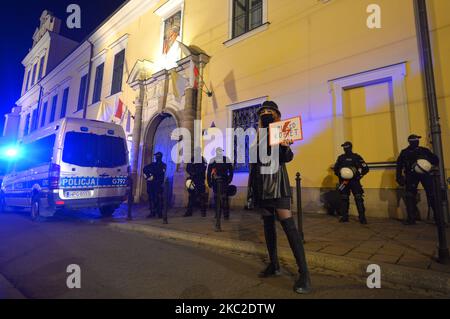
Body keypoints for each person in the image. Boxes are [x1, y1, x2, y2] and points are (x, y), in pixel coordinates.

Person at [247, 100, 311, 294]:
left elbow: (286, 157)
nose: (265, 114)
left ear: (276, 115)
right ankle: (274, 265)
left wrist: (284, 146)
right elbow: (254, 163)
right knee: (268, 225)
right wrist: (252, 191)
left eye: (269, 111)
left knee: (289, 226)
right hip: (261, 187)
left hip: (277, 186)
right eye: (262, 112)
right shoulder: (258, 135)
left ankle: (305, 274)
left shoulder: (281, 132)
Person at [396, 134, 439, 225]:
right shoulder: (405, 152)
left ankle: (437, 218)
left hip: (424, 175)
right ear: (411, 142)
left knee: (431, 195)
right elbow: (399, 166)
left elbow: (435, 160)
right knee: (410, 196)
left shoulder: (423, 150)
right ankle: (412, 219)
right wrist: (399, 177)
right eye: (416, 140)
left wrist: (430, 166)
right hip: (412, 176)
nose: (417, 142)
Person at [333, 142, 370, 224]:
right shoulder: (341, 158)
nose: (345, 148)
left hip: (354, 181)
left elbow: (365, 168)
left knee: (358, 198)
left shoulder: (356, 157)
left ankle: (362, 217)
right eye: (344, 147)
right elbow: (335, 169)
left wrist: (359, 176)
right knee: (344, 198)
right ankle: (344, 217)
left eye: (346, 146)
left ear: (350, 147)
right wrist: (340, 174)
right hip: (344, 182)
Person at [207, 147, 234, 220]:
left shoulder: (226, 159)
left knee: (225, 198)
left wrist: (229, 179)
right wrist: (209, 182)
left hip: (224, 181)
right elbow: (209, 172)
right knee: (216, 199)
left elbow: (231, 171)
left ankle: (225, 215)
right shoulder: (212, 160)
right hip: (216, 182)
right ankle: (217, 214)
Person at [184, 147, 208, 217]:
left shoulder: (203, 159)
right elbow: (188, 168)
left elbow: (203, 168)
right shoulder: (192, 159)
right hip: (193, 179)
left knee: (202, 196)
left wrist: (196, 172)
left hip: (200, 180)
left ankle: (203, 212)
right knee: (191, 196)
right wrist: (192, 172)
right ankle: (189, 212)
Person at [143, 152, 167, 219]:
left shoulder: (163, 165)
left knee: (159, 199)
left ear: (159, 157)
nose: (156, 157)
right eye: (156, 156)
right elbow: (145, 169)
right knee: (151, 198)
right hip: (151, 184)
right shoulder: (152, 164)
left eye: (157, 156)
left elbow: (160, 172)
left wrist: (152, 173)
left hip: (158, 184)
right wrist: (148, 175)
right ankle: (152, 212)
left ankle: (159, 213)